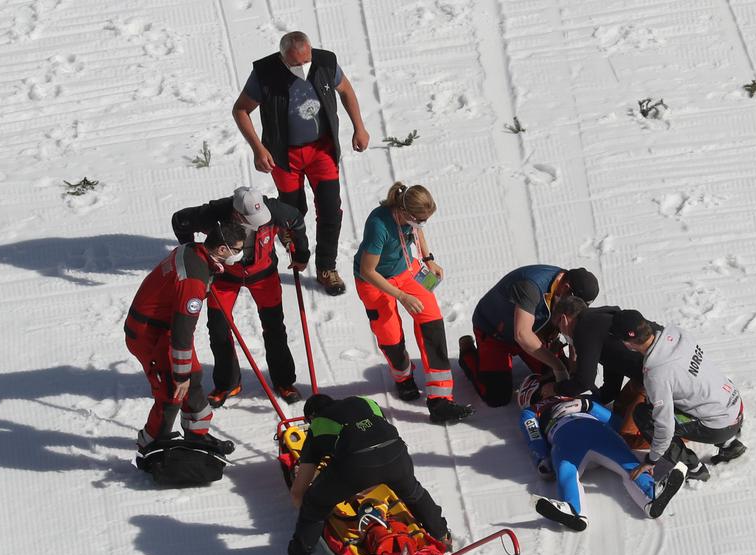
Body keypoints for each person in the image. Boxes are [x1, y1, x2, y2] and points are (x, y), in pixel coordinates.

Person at [232, 31, 369, 297]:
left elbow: (347, 91)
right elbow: (240, 110)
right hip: (285, 155)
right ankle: (292, 243)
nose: (303, 68)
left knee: (330, 209)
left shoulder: (326, 63)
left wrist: (359, 127)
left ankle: (327, 268)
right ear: (282, 58)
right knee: (293, 211)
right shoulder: (265, 74)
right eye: (296, 64)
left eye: (306, 61)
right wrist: (258, 149)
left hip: (322, 150)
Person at [267, 394, 450, 555]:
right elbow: (371, 435)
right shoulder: (366, 403)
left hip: (357, 465)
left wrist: (307, 505)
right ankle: (442, 534)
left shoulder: (318, 425)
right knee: (413, 493)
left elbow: (299, 491)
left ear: (312, 417)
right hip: (396, 455)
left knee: (315, 504)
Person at [172, 186, 311, 406]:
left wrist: (301, 254)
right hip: (225, 277)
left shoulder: (273, 209)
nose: (260, 222)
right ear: (236, 214)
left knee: (275, 327)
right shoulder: (215, 213)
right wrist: (195, 257)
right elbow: (180, 221)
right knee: (218, 329)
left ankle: (283, 381)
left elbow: (296, 220)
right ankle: (228, 383)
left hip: (264, 275)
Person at [353, 182, 473, 424]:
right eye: (418, 219)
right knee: (390, 335)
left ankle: (440, 401)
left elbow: (418, 231)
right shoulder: (379, 225)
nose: (421, 224)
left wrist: (428, 259)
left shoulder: (410, 218)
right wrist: (402, 297)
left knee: (432, 323)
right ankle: (403, 378)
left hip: (407, 272)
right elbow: (368, 271)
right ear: (403, 211)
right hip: (376, 282)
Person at [125, 222, 247, 451]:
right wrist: (181, 375)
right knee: (172, 391)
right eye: (236, 249)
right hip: (149, 335)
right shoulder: (192, 281)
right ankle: (151, 445)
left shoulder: (193, 249)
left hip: (162, 328)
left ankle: (197, 436)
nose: (239, 254)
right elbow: (182, 332)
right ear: (222, 249)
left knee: (194, 377)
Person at [608, 309, 748, 482]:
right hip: (735, 405)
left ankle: (693, 467)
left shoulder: (657, 374)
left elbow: (664, 427)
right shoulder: (677, 334)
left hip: (719, 427)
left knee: (645, 415)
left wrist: (652, 459)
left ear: (628, 344)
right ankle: (730, 445)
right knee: (688, 392)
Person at [519, 395, 687, 531]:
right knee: (567, 470)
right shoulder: (532, 410)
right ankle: (573, 511)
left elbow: (616, 422)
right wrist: (541, 457)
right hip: (567, 437)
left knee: (626, 461)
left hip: (592, 432)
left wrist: (588, 406)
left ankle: (651, 496)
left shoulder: (577, 396)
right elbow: (532, 433)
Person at [458, 265, 599, 407]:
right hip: (495, 333)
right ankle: (467, 352)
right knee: (497, 396)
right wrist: (558, 366)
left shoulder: (564, 288)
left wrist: (573, 365)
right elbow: (522, 335)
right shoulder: (531, 286)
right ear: (566, 288)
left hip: (533, 331)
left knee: (561, 376)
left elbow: (572, 326)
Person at [537, 296, 644, 405]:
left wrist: (554, 388)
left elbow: (584, 382)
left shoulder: (583, 328)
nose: (561, 332)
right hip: (650, 370)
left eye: (558, 327)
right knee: (620, 407)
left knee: (626, 413)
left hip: (654, 375)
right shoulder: (601, 319)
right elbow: (613, 366)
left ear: (563, 319)